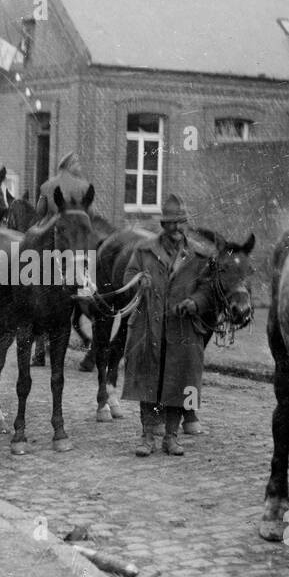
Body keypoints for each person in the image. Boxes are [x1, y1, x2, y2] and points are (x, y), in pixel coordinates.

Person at [120, 194, 213, 457]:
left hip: (183, 329)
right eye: (171, 223)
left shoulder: (199, 255)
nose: (176, 228)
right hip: (149, 325)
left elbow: (208, 289)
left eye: (180, 223)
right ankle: (147, 436)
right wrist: (140, 281)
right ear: (163, 225)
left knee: (180, 381)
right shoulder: (144, 250)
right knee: (148, 380)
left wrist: (195, 302)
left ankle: (171, 436)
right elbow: (128, 276)